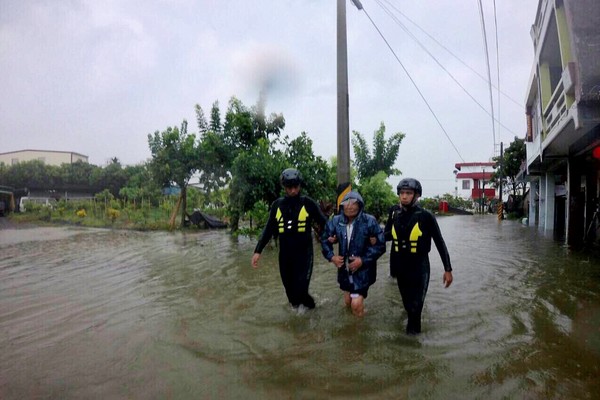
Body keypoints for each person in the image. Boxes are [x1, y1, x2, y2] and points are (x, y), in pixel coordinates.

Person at [251, 168, 328, 309]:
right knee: (291, 294)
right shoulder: (277, 205)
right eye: (289, 187)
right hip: (285, 256)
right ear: (284, 188)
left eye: (296, 187)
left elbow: (325, 223)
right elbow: (268, 229)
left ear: (299, 186)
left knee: (302, 291)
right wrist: (258, 251)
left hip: (304, 255)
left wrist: (334, 238)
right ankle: (298, 321)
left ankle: (313, 313)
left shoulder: (308, 203)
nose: (293, 190)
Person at [384, 178, 453, 334]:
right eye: (402, 193)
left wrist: (447, 269)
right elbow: (386, 235)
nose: (404, 196)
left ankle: (412, 347)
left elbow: (439, 242)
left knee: (415, 310)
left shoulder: (425, 216)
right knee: (408, 307)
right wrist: (372, 238)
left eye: (408, 193)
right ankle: (410, 344)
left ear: (416, 195)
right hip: (401, 268)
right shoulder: (395, 213)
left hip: (419, 268)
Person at [321, 191, 385, 317]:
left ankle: (357, 332)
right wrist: (332, 257)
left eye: (353, 203)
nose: (350, 206)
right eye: (346, 203)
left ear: (360, 205)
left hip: (363, 271)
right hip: (345, 269)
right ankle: (353, 325)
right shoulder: (336, 221)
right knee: (348, 302)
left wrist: (362, 260)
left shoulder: (369, 221)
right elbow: (324, 240)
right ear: (342, 206)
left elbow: (380, 245)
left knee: (355, 304)